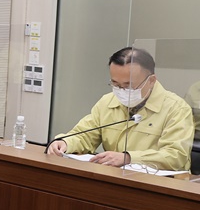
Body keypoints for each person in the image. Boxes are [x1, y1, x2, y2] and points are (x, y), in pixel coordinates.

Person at [46, 47, 193, 171]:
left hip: (161, 187)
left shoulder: (177, 109)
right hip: (116, 179)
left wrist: (128, 158)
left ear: (151, 81)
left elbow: (176, 156)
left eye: (128, 85)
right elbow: (85, 135)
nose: (121, 91)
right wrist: (65, 142)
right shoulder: (107, 102)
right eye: (115, 84)